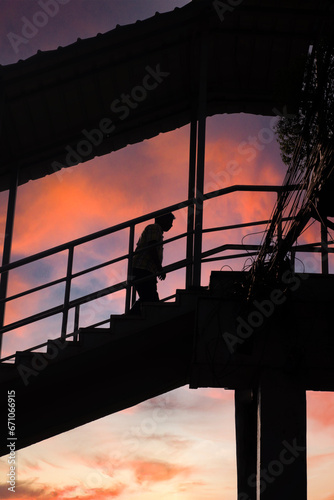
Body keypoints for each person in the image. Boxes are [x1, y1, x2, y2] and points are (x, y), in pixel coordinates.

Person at [129, 212, 175, 315]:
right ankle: (127, 318)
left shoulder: (157, 231)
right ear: (162, 220)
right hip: (142, 269)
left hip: (146, 270)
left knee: (150, 299)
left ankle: (129, 318)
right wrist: (159, 268)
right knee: (150, 299)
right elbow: (152, 247)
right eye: (170, 221)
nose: (171, 225)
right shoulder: (154, 228)